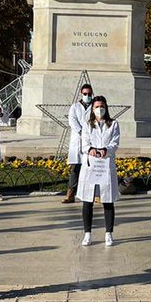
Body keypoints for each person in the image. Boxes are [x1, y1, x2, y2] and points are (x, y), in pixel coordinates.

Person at [77, 95, 121, 246]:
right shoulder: (87, 125)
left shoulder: (113, 124)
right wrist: (91, 150)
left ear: (106, 107)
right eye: (96, 107)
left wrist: (105, 150)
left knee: (107, 201)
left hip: (106, 165)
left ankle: (109, 233)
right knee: (87, 200)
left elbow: (115, 143)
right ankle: (87, 233)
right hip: (91, 166)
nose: (99, 109)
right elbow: (84, 144)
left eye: (101, 106)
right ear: (92, 109)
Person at [62, 84, 94, 204]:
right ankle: (70, 194)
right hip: (77, 140)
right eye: (85, 94)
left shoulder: (94, 107)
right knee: (75, 169)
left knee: (92, 168)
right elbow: (72, 121)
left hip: (90, 141)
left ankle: (94, 195)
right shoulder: (75, 107)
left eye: (89, 94)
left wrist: (89, 133)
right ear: (81, 93)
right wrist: (82, 131)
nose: (87, 96)